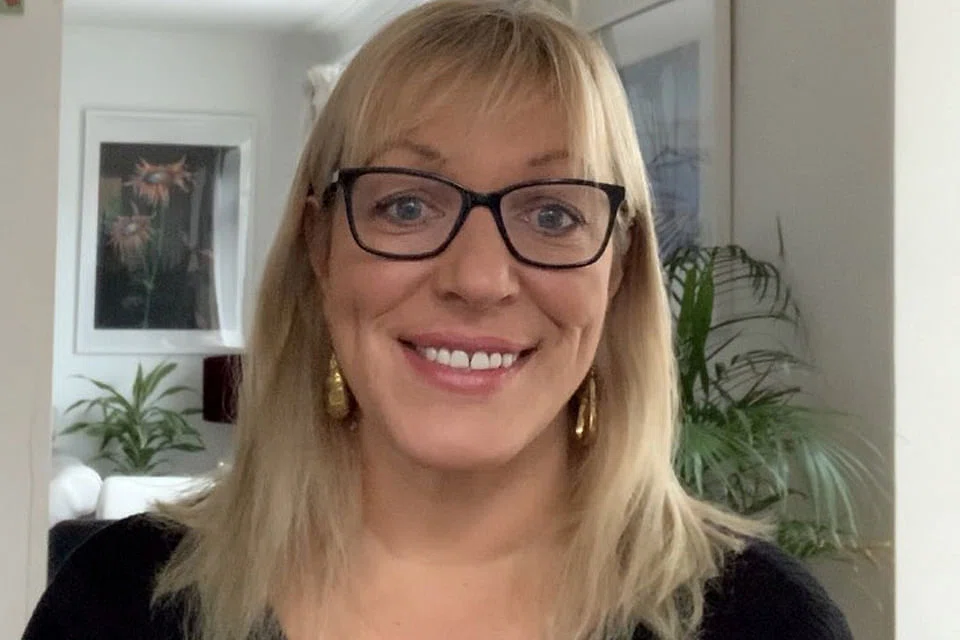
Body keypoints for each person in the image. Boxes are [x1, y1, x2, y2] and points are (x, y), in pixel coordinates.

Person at [24, 1, 853, 639]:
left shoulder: (764, 621)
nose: (479, 278)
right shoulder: (114, 600)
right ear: (320, 247)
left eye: (553, 215)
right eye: (408, 205)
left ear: (618, 269)